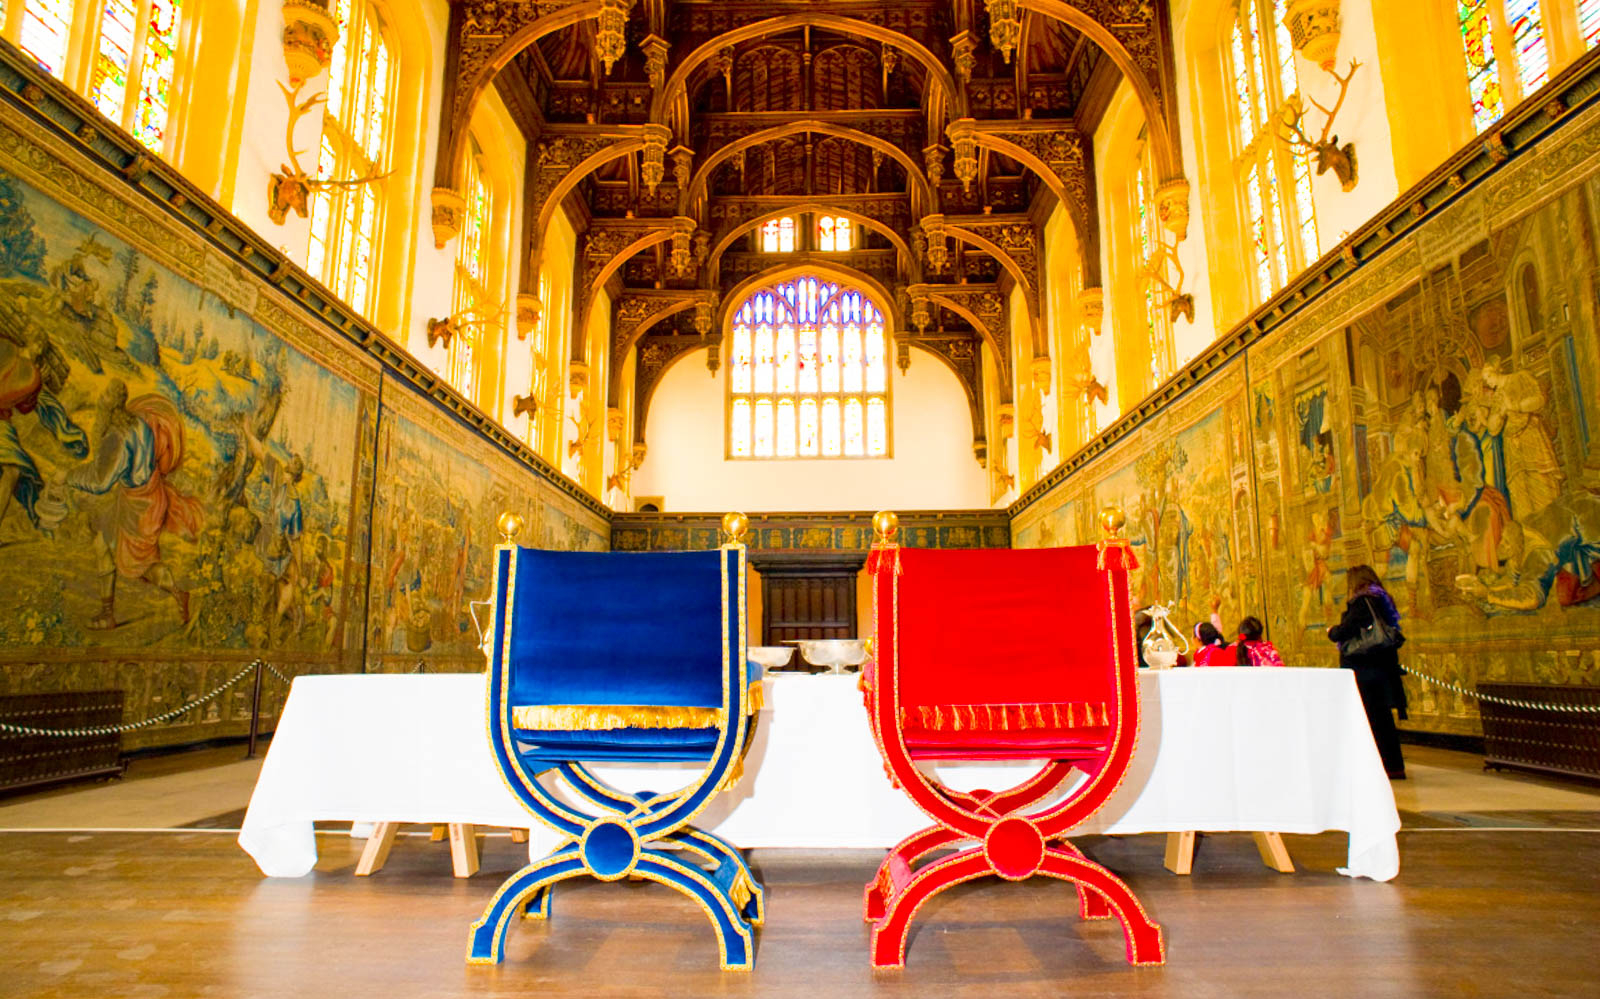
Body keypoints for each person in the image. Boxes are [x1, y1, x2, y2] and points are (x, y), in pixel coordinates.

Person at [1328, 564, 1408, 779]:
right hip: (1383, 668)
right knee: (1383, 720)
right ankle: (1393, 765)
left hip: (1366, 671)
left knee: (1372, 718)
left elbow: (1346, 631)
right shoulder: (1382, 599)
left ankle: (1381, 765)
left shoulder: (1363, 602)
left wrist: (1333, 631)